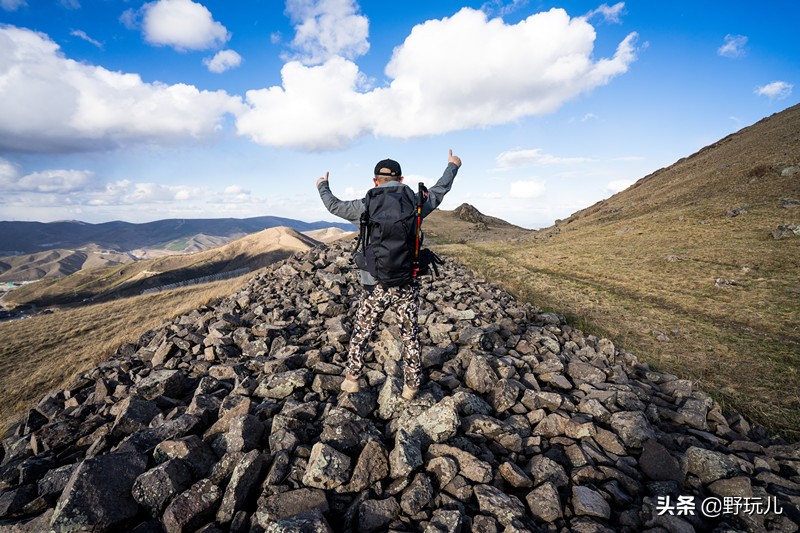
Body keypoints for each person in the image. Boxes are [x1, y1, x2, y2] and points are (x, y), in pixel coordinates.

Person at [316, 150, 462, 400]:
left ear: (375, 181)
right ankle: (411, 387)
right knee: (409, 335)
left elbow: (334, 206)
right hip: (406, 281)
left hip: (374, 284)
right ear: (401, 179)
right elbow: (439, 191)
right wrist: (452, 166)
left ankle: (352, 380)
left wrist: (323, 185)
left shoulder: (365, 205)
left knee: (362, 330)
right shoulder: (415, 202)